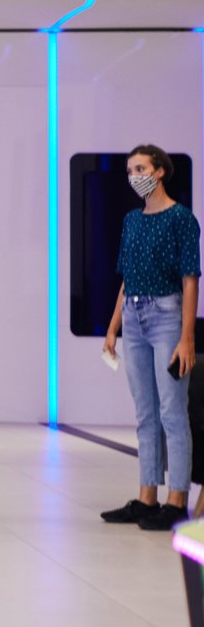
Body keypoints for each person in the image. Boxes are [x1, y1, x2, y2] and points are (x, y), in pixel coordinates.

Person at [100, 145, 199, 532]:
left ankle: (176, 501)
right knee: (145, 414)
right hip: (134, 317)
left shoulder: (181, 219)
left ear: (159, 171)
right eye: (129, 169)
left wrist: (187, 336)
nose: (133, 175)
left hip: (166, 317)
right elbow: (127, 278)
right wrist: (113, 327)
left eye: (140, 167)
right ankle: (146, 498)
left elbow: (190, 279)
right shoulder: (132, 220)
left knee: (172, 411)